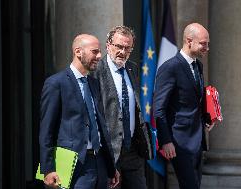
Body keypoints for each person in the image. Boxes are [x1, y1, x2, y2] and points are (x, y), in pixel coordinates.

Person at [39, 34, 119, 189]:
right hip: (71, 165)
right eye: (94, 51)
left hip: (99, 163)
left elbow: (101, 126)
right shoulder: (56, 83)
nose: (99, 56)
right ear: (78, 52)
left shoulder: (94, 83)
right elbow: (46, 131)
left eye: (99, 51)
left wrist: (111, 167)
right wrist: (47, 169)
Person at [91, 26, 152, 189]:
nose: (122, 52)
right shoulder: (96, 71)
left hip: (133, 149)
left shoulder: (132, 68)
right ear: (108, 45)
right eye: (119, 46)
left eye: (127, 48)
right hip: (109, 151)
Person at [153, 23, 213, 189]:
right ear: (189, 41)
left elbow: (194, 100)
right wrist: (165, 141)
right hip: (179, 142)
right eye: (203, 43)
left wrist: (208, 117)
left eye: (207, 43)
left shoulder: (197, 65)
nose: (207, 48)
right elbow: (159, 109)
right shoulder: (170, 67)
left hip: (197, 140)